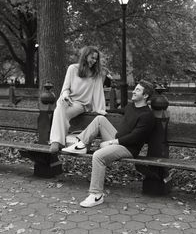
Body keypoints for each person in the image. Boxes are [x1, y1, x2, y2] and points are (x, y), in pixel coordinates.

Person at [62, 79, 155, 207]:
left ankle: (96, 195)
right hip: (117, 139)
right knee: (100, 119)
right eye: (135, 89)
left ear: (145, 96)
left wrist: (112, 142)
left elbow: (136, 137)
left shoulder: (147, 115)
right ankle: (81, 144)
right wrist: (104, 111)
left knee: (98, 156)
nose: (133, 91)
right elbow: (119, 112)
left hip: (128, 148)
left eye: (137, 90)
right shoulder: (131, 107)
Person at [49, 46, 106, 152]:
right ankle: (57, 142)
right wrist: (65, 96)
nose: (94, 61)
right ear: (85, 56)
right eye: (92, 58)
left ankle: (56, 142)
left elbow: (98, 93)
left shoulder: (96, 74)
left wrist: (100, 109)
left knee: (59, 111)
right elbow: (65, 88)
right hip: (69, 101)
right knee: (60, 106)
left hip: (82, 104)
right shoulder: (72, 68)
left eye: (96, 59)